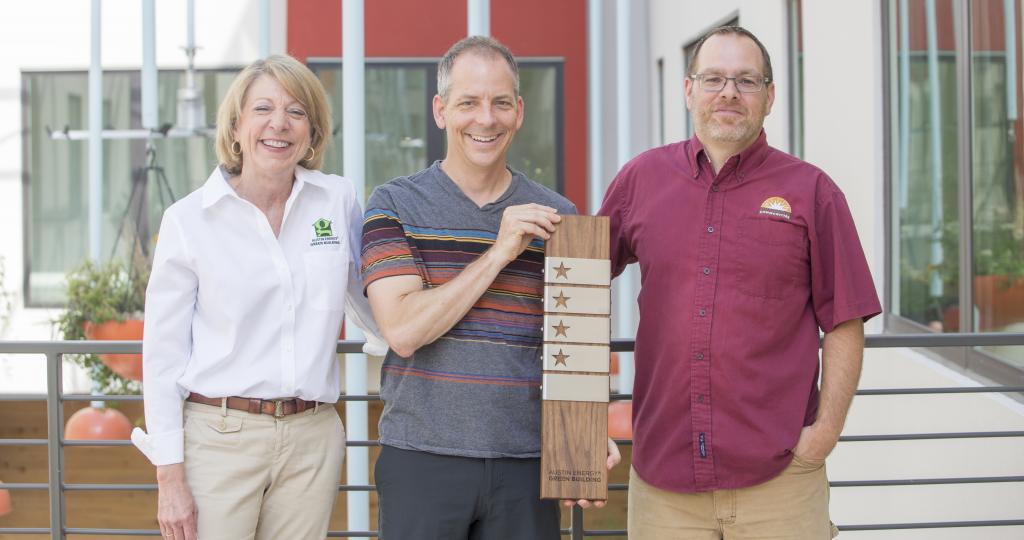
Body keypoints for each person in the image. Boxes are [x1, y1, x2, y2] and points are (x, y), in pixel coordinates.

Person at [598, 26, 881, 539]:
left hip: (780, 484)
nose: (729, 93)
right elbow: (581, 279)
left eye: (746, 81)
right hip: (664, 485)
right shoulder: (640, 179)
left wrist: (825, 435)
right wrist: (580, 418)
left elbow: (846, 319)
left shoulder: (813, 192)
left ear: (769, 96)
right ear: (689, 91)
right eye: (714, 79)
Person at [361, 36, 620, 540]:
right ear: (440, 110)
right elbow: (405, 330)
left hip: (525, 466)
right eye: (468, 102)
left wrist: (586, 434)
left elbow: (571, 343)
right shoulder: (393, 204)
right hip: (422, 459)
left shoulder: (559, 216)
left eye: (501, 102)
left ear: (519, 112)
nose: (486, 118)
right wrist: (501, 250)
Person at [130, 54, 385, 540]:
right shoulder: (188, 221)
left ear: (312, 131)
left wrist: (425, 329)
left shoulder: (337, 200)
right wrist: (170, 478)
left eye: (296, 111)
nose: (279, 124)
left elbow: (371, 299)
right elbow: (162, 358)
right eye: (263, 108)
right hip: (218, 436)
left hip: (312, 439)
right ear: (236, 125)